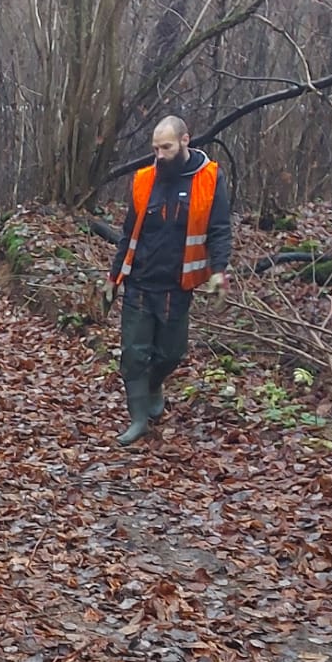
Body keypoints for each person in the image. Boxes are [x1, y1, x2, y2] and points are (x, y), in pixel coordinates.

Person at [102, 115, 232, 444]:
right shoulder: (144, 180)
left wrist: (218, 271)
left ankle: (153, 386)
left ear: (185, 141)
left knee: (171, 353)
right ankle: (138, 419)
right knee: (134, 353)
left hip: (178, 284)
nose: (159, 155)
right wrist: (113, 278)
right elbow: (129, 233)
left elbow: (219, 229)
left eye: (166, 147)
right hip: (140, 281)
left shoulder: (210, 179)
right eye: (155, 148)